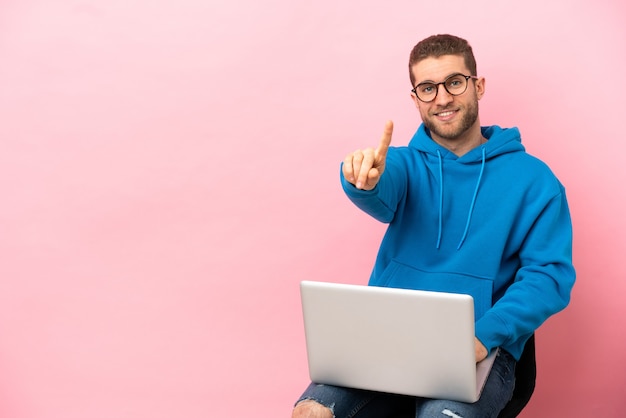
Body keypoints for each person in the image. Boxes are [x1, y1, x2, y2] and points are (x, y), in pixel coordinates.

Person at [292, 34, 576, 418]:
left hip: (478, 346)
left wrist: (485, 335)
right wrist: (360, 178)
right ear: (416, 99)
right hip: (385, 338)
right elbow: (380, 187)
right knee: (312, 412)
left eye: (454, 82)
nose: (442, 98)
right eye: (427, 88)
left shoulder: (535, 181)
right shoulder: (404, 165)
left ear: (478, 86)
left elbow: (549, 276)